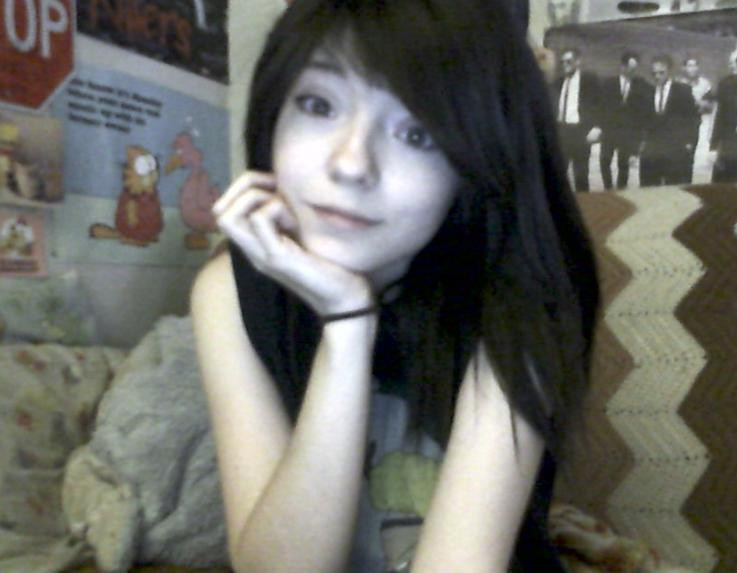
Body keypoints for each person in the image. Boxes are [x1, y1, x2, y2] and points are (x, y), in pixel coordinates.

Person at [190, 1, 599, 572]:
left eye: (418, 133)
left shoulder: (523, 294)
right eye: (318, 104)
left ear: (478, 163)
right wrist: (347, 328)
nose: (351, 164)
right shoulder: (228, 293)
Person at [640, 54, 699, 186]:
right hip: (653, 152)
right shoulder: (648, 92)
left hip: (676, 150)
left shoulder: (683, 90)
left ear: (669, 71)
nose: (657, 76)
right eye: (654, 73)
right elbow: (643, 120)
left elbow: (693, 119)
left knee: (675, 189)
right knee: (649, 190)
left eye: (661, 73)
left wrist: (690, 143)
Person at [598, 51, 649, 190]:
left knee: (623, 164)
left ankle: (621, 189)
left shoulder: (640, 85)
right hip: (609, 130)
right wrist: (601, 127)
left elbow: (641, 111)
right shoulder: (609, 83)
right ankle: (608, 188)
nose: (632, 71)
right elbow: (601, 107)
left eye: (634, 68)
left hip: (627, 132)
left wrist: (638, 136)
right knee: (604, 161)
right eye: (629, 67)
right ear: (622, 66)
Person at [555, 47, 602, 192]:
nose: (565, 65)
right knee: (557, 175)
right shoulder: (558, 82)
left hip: (580, 132)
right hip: (561, 131)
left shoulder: (589, 80)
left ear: (578, 61)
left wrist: (597, 127)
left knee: (581, 176)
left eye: (569, 61)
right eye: (562, 62)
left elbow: (601, 105)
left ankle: (584, 203)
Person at [677, 55, 715, 183]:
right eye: (689, 65)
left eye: (695, 65)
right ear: (684, 68)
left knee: (695, 156)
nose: (692, 68)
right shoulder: (678, 83)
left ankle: (690, 182)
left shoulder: (704, 84)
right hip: (681, 124)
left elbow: (710, 105)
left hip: (698, 122)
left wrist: (698, 102)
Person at [711, 49, 737, 183]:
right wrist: (713, 146)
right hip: (729, 144)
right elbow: (718, 117)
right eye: (731, 62)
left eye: (736, 62)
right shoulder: (725, 85)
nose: (732, 65)